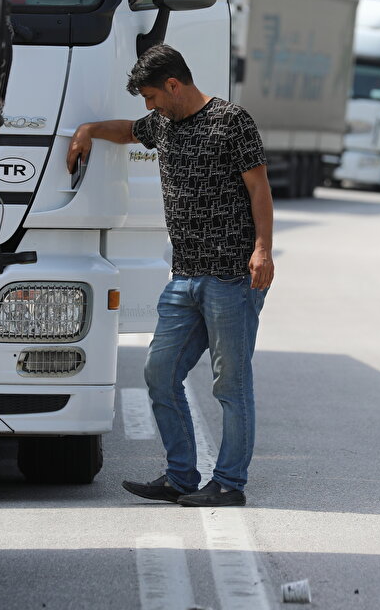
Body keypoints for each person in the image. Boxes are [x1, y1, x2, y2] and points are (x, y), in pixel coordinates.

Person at [66, 43, 273, 508]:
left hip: (230, 278)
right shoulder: (163, 123)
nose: (149, 107)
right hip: (184, 277)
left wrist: (263, 250)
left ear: (174, 85)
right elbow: (128, 131)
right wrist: (88, 130)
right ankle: (181, 476)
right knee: (159, 374)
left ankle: (229, 484)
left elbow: (259, 189)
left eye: (153, 96)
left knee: (231, 384)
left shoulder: (230, 121)